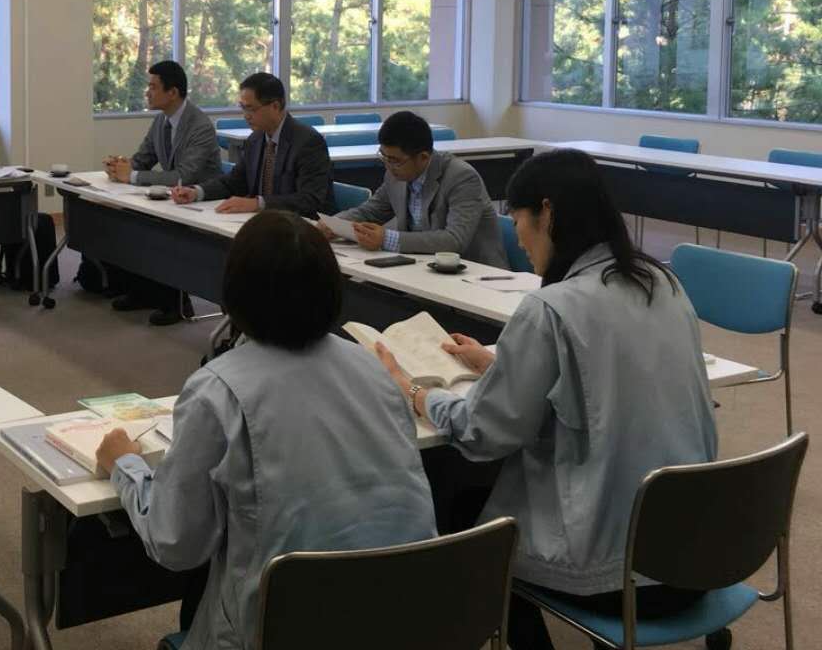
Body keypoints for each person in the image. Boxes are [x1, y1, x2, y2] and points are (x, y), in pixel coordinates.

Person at [373, 149, 718, 650]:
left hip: (616, 573)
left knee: (464, 516)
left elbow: (485, 433)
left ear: (548, 213)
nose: (516, 236)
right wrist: (501, 366)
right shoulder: (662, 283)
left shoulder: (550, 309)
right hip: (699, 553)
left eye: (517, 219)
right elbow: (608, 377)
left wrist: (413, 390)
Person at [96, 210, 437, 650]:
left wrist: (125, 465)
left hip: (284, 628)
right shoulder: (374, 369)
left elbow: (175, 543)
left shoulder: (217, 391)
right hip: (409, 620)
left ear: (235, 292)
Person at [103, 61, 223, 325]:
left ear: (173, 92)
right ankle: (144, 292)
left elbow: (183, 176)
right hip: (173, 198)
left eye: (153, 87)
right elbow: (143, 159)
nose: (147, 92)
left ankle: (177, 302)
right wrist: (120, 166)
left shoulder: (200, 125)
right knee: (132, 218)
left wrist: (132, 176)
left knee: (162, 230)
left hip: (202, 200)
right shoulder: (161, 120)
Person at [327, 110, 506, 267]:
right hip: (421, 267)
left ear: (423, 157)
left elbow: (454, 240)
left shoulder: (462, 178)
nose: (388, 166)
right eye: (384, 157)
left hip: (475, 274)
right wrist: (332, 225)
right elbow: (370, 211)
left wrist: (386, 239)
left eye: (395, 160)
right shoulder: (395, 175)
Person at [170, 73, 333, 218]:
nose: (246, 116)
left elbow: (309, 199)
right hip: (262, 223)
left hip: (299, 228)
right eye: (243, 108)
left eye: (251, 109)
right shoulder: (255, 140)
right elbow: (234, 182)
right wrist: (196, 192)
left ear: (275, 106)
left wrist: (257, 203)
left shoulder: (308, 142)